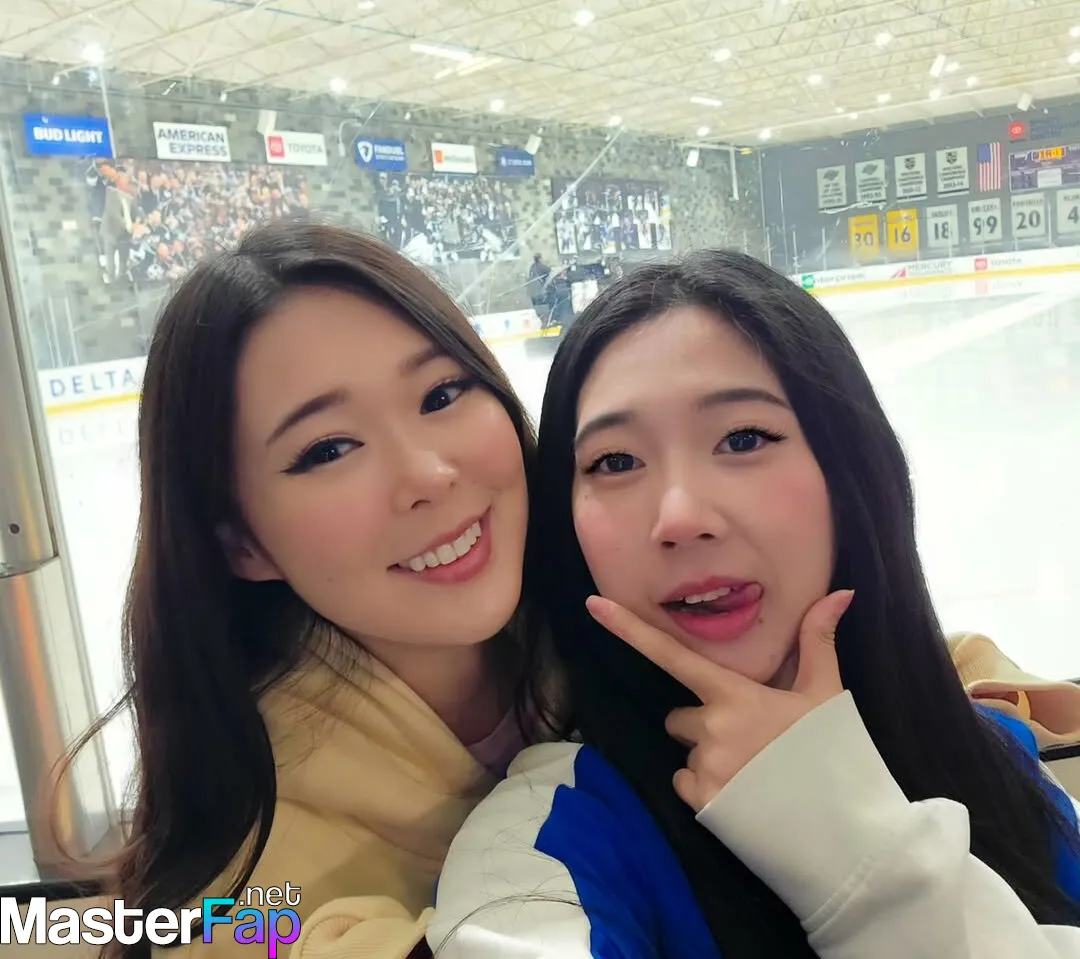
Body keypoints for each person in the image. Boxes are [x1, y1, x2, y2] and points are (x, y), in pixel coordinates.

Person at [427, 250, 1080, 957]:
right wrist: (864, 872)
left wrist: (848, 837)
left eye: (743, 439)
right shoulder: (543, 844)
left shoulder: (999, 756)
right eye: (615, 461)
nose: (680, 516)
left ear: (850, 470)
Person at [59, 219, 554, 959]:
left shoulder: (628, 632)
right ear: (243, 543)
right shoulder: (251, 892)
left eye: (442, 393)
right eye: (328, 449)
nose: (428, 474)